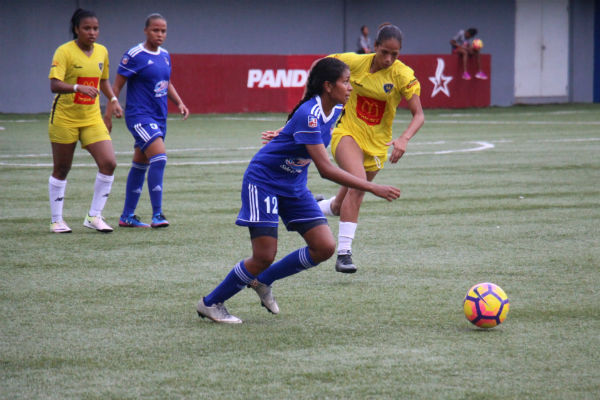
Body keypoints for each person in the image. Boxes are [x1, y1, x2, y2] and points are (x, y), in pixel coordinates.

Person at [196, 58, 401, 323]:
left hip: (293, 185)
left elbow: (299, 126)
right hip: (264, 182)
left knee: (324, 247)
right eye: (346, 81)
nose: (350, 87)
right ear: (328, 86)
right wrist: (373, 187)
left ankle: (263, 281)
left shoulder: (337, 108)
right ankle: (211, 303)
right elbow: (326, 169)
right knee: (264, 255)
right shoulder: (310, 114)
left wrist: (283, 132)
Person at [316, 23, 425, 274]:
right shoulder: (353, 63)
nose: (389, 59)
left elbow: (419, 115)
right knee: (358, 186)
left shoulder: (402, 75)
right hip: (347, 134)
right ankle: (344, 253)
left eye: (394, 54)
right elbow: (320, 65)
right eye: (384, 52)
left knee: (338, 205)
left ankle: (312, 207)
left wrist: (404, 138)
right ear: (374, 47)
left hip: (377, 146)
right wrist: (310, 99)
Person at [104, 13, 189, 228]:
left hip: (159, 117)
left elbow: (166, 82)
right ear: (146, 31)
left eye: (163, 31)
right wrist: (110, 109)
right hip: (139, 116)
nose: (160, 35)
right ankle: (157, 214)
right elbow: (116, 85)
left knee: (140, 164)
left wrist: (179, 102)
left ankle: (127, 216)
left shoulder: (165, 55)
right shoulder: (134, 55)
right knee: (159, 158)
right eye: (155, 30)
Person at [47, 8, 123, 233]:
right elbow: (54, 84)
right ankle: (56, 220)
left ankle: (94, 216)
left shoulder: (102, 52)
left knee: (109, 163)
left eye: (95, 28)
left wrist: (114, 99)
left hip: (92, 118)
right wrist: (78, 87)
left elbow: (104, 81)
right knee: (62, 168)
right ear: (76, 29)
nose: (92, 32)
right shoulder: (64, 52)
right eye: (87, 28)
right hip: (65, 118)